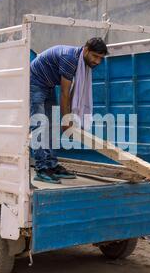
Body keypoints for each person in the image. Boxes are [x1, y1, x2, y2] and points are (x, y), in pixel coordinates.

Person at [30, 38, 108, 184]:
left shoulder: (80, 61)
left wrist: (69, 119)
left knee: (52, 126)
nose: (97, 61)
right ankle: (41, 168)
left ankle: (51, 165)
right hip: (35, 82)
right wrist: (66, 121)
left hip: (48, 85)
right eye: (95, 56)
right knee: (40, 124)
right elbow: (65, 93)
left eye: (100, 58)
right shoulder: (70, 59)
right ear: (85, 50)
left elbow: (72, 93)